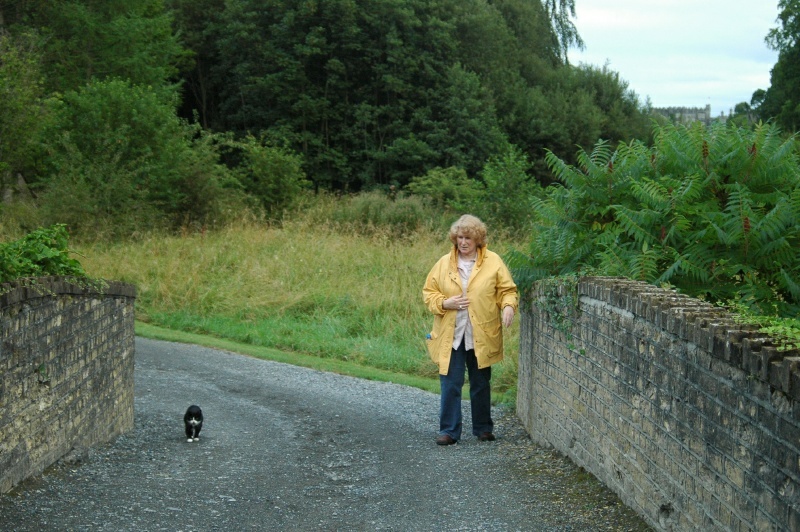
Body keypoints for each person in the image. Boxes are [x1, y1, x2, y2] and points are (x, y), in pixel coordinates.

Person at [422, 214, 518, 445]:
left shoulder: (493, 261)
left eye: (468, 238)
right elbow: (429, 292)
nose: (463, 242)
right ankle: (449, 431)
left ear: (478, 240)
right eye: (460, 237)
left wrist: (507, 307)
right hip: (451, 335)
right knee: (451, 383)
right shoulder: (444, 263)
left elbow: (507, 290)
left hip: (481, 335)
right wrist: (446, 303)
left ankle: (483, 429)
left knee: (480, 384)